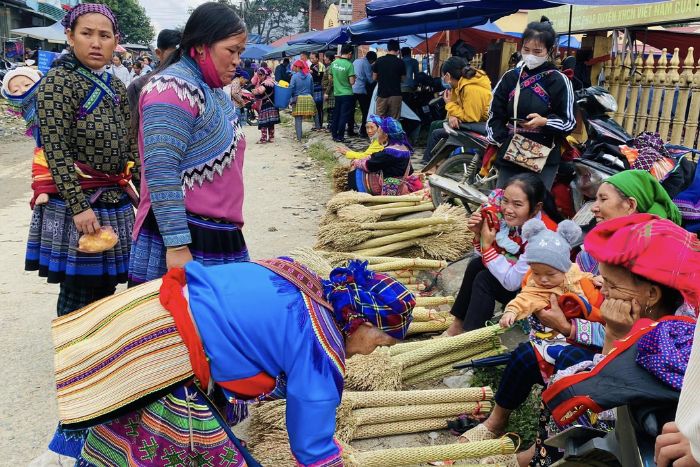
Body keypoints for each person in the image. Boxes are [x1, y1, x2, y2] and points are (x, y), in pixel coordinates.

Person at [48, 258, 416, 466]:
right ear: (362, 322)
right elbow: (312, 447)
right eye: (382, 340)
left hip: (147, 310)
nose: (374, 351)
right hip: (166, 351)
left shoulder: (303, 281)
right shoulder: (321, 349)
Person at [26, 3, 138, 316]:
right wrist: (79, 206)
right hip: (78, 201)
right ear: (70, 36)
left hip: (113, 198)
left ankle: (96, 359)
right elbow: (55, 148)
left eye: (104, 35)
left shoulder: (116, 85)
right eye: (86, 33)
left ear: (116, 41)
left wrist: (146, 193)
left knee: (105, 286)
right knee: (78, 289)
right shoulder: (57, 82)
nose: (96, 42)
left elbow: (129, 143)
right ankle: (73, 358)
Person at [127, 2, 249, 286]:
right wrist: (177, 245)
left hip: (217, 233)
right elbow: (160, 170)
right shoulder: (171, 89)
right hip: (185, 238)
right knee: (180, 327)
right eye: (231, 51)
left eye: (239, 53)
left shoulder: (213, 90)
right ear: (201, 47)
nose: (236, 61)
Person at [445, 173, 563, 336]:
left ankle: (473, 338)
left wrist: (487, 246)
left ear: (536, 207)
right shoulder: (515, 220)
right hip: (521, 282)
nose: (508, 209)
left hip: (538, 296)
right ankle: (457, 326)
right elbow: (487, 258)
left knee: (484, 280)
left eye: (517, 204)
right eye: (505, 201)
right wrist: (479, 235)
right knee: (475, 265)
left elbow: (513, 282)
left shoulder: (542, 235)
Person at [486, 17, 576, 190]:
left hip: (544, 155)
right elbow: (494, 113)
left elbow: (569, 121)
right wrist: (502, 140)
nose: (530, 55)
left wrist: (545, 122)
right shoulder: (511, 77)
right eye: (526, 49)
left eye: (537, 51)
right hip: (511, 150)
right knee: (505, 204)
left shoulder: (558, 80)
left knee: (534, 207)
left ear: (549, 51)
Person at [577, 169, 683, 275]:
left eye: (603, 199)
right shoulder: (595, 249)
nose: (593, 208)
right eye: (596, 199)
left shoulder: (658, 256)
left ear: (630, 205)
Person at [422, 56, 492, 163]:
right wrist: (452, 115)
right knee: (436, 126)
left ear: (448, 76)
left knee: (437, 132)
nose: (443, 80)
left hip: (481, 125)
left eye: (443, 77)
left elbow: (470, 117)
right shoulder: (458, 86)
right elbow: (455, 106)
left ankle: (431, 166)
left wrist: (449, 105)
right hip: (471, 122)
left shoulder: (471, 88)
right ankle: (432, 164)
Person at [1, 67, 49, 207]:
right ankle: (43, 191)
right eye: (15, 91)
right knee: (41, 163)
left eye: (27, 85)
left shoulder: (49, 98)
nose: (22, 91)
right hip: (44, 147)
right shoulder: (25, 108)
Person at [127, 29, 182, 137]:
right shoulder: (138, 86)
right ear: (158, 53)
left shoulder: (192, 88)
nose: (180, 61)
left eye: (183, 56)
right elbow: (130, 127)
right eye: (174, 56)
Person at [347, 117, 418, 195]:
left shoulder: (389, 152)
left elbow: (370, 165)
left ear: (386, 135)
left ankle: (353, 194)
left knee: (357, 172)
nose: (378, 135)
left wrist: (356, 162)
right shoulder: (404, 148)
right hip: (401, 184)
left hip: (391, 189)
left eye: (379, 132)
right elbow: (410, 170)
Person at [329, 44, 356, 143]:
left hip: (337, 93)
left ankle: (334, 135)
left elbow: (330, 79)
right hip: (347, 94)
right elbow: (352, 82)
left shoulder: (334, 63)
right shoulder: (349, 65)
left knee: (336, 114)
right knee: (343, 115)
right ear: (349, 53)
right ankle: (340, 136)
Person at [372, 39, 405, 119]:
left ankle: (381, 131)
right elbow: (403, 79)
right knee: (394, 121)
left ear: (388, 48)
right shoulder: (400, 62)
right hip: (396, 95)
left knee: (380, 119)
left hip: (382, 94)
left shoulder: (379, 61)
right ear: (398, 50)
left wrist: (382, 80)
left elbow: (374, 78)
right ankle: (391, 132)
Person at [289, 59, 319, 141]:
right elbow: (312, 88)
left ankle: (299, 138)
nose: (293, 68)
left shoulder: (294, 76)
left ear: (298, 67)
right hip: (309, 97)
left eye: (294, 66)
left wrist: (291, 99)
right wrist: (312, 98)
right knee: (315, 114)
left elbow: (291, 88)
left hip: (298, 98)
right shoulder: (309, 75)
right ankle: (318, 129)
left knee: (298, 119)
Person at [253, 66, 280, 144]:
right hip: (272, 104)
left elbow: (261, 91)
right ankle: (271, 138)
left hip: (267, 104)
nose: (259, 77)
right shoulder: (272, 80)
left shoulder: (266, 82)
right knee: (271, 123)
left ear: (264, 74)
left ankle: (263, 139)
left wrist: (254, 91)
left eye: (260, 75)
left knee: (263, 123)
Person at [353, 51, 376, 139]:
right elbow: (370, 80)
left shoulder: (356, 61)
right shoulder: (367, 64)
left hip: (352, 89)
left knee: (351, 111)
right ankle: (363, 131)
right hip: (361, 90)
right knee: (365, 111)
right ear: (371, 59)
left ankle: (350, 130)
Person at [310, 51, 324, 130]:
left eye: (313, 58)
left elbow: (321, 77)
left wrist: (313, 72)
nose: (311, 60)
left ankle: (320, 124)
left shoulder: (321, 66)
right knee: (314, 106)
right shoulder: (312, 65)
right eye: (310, 58)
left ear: (317, 58)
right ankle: (316, 124)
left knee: (319, 106)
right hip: (313, 87)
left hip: (319, 87)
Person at [322, 51, 335, 131]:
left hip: (331, 92)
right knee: (331, 109)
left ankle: (331, 126)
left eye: (325, 57)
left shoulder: (330, 68)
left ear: (328, 58)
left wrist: (326, 92)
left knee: (331, 109)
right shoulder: (330, 66)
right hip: (331, 91)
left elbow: (331, 81)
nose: (324, 59)